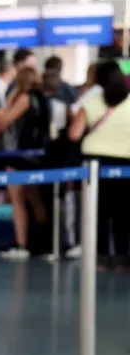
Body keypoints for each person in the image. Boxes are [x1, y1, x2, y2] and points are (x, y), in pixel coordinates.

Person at [68, 60, 130, 270]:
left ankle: (100, 258)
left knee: (98, 212)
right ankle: (123, 258)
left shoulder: (92, 101)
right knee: (124, 212)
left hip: (96, 162)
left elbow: (74, 134)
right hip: (126, 162)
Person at [0, 67, 50, 261]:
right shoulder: (43, 98)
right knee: (36, 200)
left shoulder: (23, 98)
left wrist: (10, 98)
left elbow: (4, 119)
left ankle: (21, 243)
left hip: (19, 155)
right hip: (37, 155)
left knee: (17, 201)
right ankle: (45, 242)